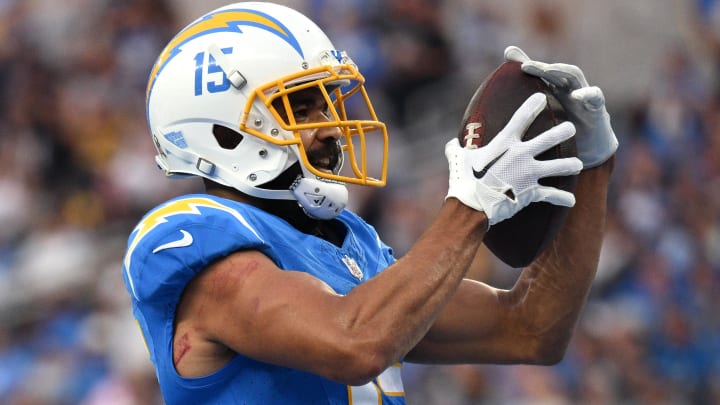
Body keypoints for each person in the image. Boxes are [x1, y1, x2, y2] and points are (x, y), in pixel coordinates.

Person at [121, 2, 618, 404]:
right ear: (219, 128)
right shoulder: (190, 236)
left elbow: (531, 329)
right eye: (299, 107)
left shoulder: (346, 243)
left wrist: (593, 167)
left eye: (326, 103)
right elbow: (354, 345)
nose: (332, 126)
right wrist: (470, 205)